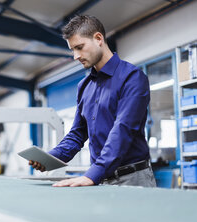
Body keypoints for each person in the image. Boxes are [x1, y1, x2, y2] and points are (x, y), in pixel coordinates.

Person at [30, 15, 156, 188]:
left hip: (132, 178)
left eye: (79, 47)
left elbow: (123, 129)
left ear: (98, 39)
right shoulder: (84, 86)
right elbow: (77, 134)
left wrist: (93, 174)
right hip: (100, 179)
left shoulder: (132, 78)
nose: (75, 56)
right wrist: (50, 158)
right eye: (72, 50)